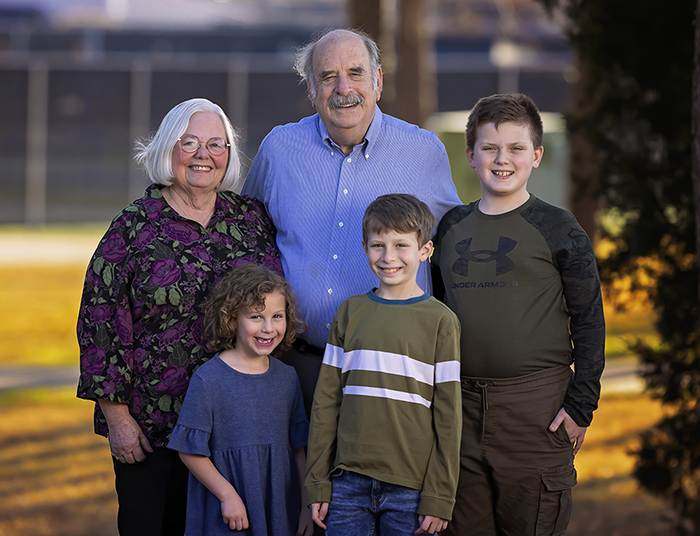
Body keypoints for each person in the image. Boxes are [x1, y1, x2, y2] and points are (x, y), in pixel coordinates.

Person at [76, 98, 284, 536]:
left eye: (215, 143)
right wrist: (118, 420)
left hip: (233, 430)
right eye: (189, 142)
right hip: (153, 430)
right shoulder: (134, 226)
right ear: (168, 149)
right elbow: (100, 324)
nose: (203, 154)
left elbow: (274, 306)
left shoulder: (250, 220)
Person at [242, 28, 462, 411]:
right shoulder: (278, 151)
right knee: (300, 471)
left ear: (377, 81)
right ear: (311, 90)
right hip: (296, 367)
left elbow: (455, 244)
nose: (344, 88)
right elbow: (245, 239)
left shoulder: (424, 152)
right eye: (328, 77)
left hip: (392, 371)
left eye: (356, 73)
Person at [429, 93, 605, 536]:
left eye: (515, 148)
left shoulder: (558, 227)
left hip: (535, 412)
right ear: (470, 155)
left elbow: (589, 320)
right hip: (460, 411)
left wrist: (581, 406)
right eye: (489, 147)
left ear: (537, 155)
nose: (501, 159)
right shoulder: (449, 229)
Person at [305, 194, 462, 536]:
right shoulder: (350, 313)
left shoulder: (441, 321)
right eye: (378, 245)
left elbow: (449, 418)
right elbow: (325, 404)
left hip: (412, 488)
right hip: (347, 484)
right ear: (365, 248)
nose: (389, 257)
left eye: (401, 245)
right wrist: (317, 480)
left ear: (425, 250)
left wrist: (440, 494)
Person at [168, 264, 313, 536]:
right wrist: (227, 496)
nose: (268, 328)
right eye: (256, 317)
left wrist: (306, 506)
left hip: (279, 508)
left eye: (277, 316)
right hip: (229, 511)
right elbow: (189, 450)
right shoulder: (208, 379)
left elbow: (297, 449)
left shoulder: (287, 378)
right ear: (232, 319)